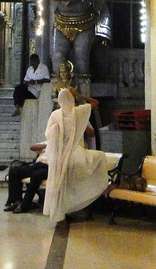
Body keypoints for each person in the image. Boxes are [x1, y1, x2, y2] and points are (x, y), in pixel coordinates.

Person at [43, 87, 110, 223]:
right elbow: (95, 103)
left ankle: (60, 214)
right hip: (77, 154)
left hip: (60, 157)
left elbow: (48, 135)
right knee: (101, 156)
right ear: (72, 99)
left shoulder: (55, 115)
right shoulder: (79, 112)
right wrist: (79, 95)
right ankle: (101, 188)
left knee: (62, 186)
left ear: (60, 101)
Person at [5, 142, 49, 214]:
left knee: (36, 175)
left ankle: (25, 205)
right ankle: (17, 201)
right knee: (14, 170)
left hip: (49, 167)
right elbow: (32, 147)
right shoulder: (47, 142)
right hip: (37, 164)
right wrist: (47, 145)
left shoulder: (63, 144)